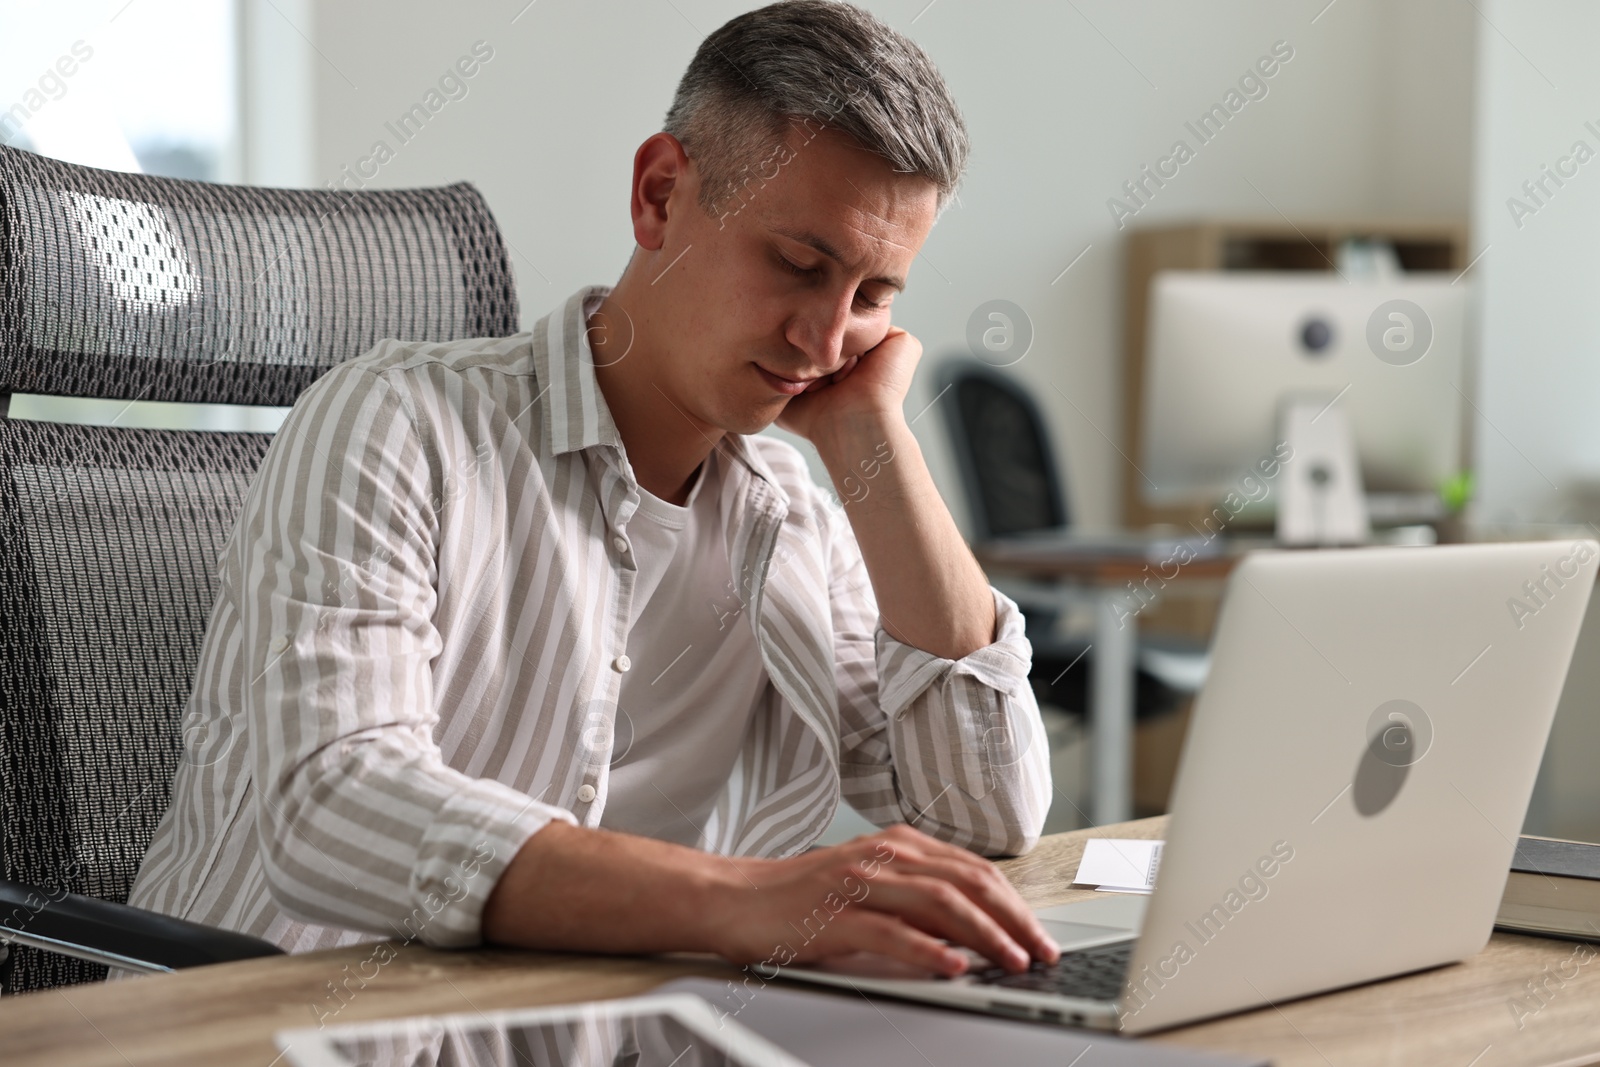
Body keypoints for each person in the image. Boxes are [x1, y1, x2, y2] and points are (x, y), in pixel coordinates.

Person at [128, 0, 1059, 985]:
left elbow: (981, 813)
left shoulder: (792, 512)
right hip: (283, 1027)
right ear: (659, 195)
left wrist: (875, 442)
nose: (825, 343)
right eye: (797, 264)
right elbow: (333, 803)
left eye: (872, 298)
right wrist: (738, 900)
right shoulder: (396, 423)